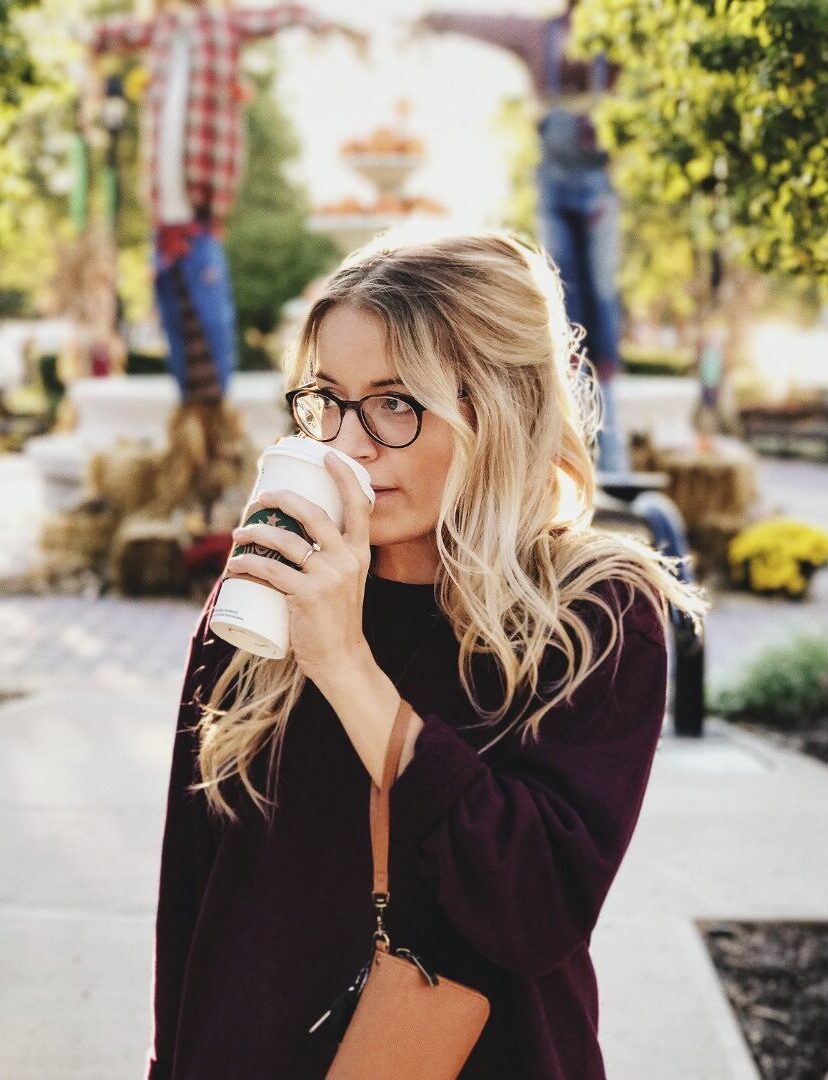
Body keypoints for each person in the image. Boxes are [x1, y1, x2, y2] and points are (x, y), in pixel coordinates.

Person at [148, 231, 707, 1078]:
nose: (351, 444)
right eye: (328, 399)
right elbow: (190, 898)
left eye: (397, 404)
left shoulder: (593, 613)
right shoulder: (272, 589)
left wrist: (345, 665)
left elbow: (535, 907)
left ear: (499, 408)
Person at [88, 0, 365, 403]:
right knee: (176, 328)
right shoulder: (159, 30)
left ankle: (217, 416)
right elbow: (105, 36)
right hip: (162, 221)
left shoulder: (225, 24)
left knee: (209, 322)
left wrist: (335, 26)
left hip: (200, 213)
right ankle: (192, 417)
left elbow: (285, 15)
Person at [413, 3, 630, 473]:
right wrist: (439, 19)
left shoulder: (617, 33)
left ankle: (611, 440)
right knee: (562, 297)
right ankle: (570, 431)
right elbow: (487, 25)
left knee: (602, 297)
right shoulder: (539, 36)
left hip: (599, 186)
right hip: (553, 184)